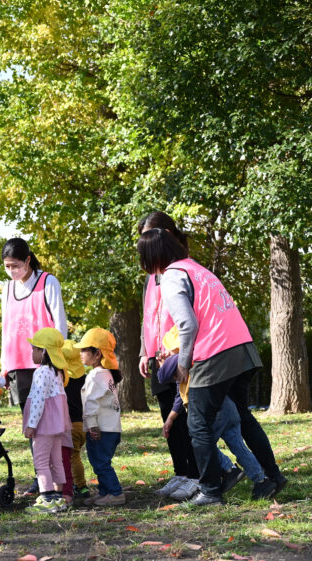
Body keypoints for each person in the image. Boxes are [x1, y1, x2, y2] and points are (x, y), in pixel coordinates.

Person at [137, 227, 287, 506]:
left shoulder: (170, 276)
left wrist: (182, 364)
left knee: (198, 425)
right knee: (243, 418)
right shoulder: (197, 268)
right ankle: (272, 478)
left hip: (215, 353)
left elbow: (188, 324)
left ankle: (210, 491)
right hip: (243, 347)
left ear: (152, 256)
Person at [157, 328, 270, 499]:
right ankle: (262, 480)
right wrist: (171, 419)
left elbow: (162, 376)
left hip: (214, 411)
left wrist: (162, 363)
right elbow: (179, 398)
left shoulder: (181, 358)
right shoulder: (199, 358)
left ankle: (229, 469)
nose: (166, 352)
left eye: (168, 348)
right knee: (238, 446)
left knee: (202, 444)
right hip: (227, 408)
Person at [135, 212, 200, 499]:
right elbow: (147, 316)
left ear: (168, 233)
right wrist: (143, 352)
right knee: (167, 417)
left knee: (184, 415)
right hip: (156, 355)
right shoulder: (153, 274)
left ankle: (196, 474)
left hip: (177, 354)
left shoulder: (181, 268)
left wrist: (177, 353)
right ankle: (180, 472)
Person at [0, 237, 68, 495]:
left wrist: (58, 362)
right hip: (18, 364)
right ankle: (40, 478)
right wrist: (5, 366)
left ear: (28, 260)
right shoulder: (7, 288)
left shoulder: (47, 281)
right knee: (30, 422)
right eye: (7, 266)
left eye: (15, 265)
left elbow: (59, 322)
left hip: (44, 365)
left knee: (49, 424)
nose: (11, 271)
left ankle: (55, 479)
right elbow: (7, 328)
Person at [23, 327, 72, 514]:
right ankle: (59, 497)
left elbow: (38, 400)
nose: (31, 352)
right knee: (56, 460)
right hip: (57, 425)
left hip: (44, 426)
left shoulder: (42, 372)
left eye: (34, 349)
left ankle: (46, 497)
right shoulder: (58, 372)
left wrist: (31, 425)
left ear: (44, 352)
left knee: (41, 461)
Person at [74, 327, 124, 506]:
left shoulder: (96, 375)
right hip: (110, 428)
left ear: (97, 354)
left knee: (101, 462)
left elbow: (92, 402)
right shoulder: (106, 374)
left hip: (101, 428)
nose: (80, 353)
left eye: (84, 349)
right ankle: (104, 492)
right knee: (100, 461)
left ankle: (115, 493)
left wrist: (92, 426)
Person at [61, 339, 90, 502]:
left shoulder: (64, 380)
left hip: (71, 424)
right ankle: (79, 485)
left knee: (72, 457)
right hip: (84, 423)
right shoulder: (85, 378)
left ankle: (80, 486)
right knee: (76, 455)